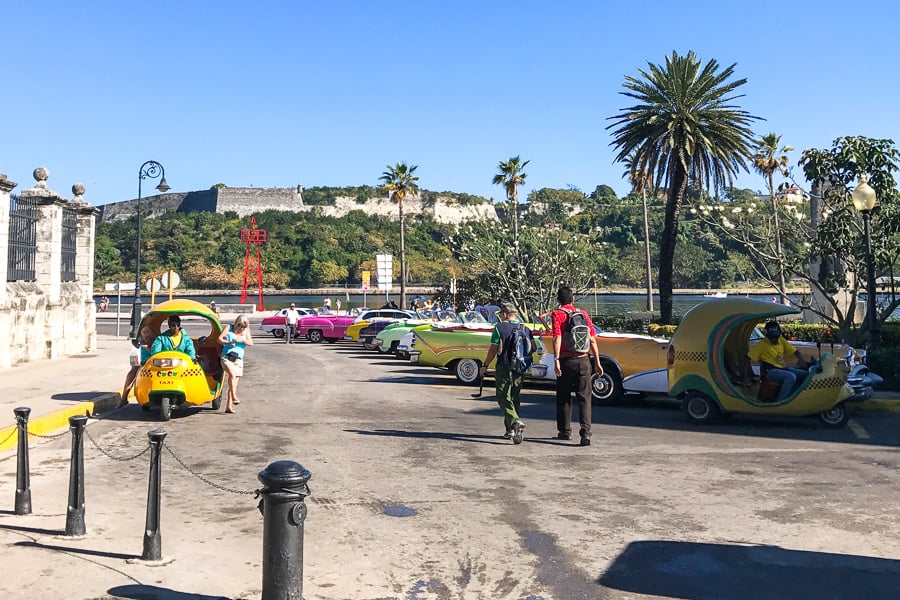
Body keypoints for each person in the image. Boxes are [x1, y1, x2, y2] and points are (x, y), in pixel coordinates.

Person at [551, 286, 603, 446]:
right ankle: (586, 433)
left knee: (564, 397)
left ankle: (565, 432)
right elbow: (592, 339)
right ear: (572, 300)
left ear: (558, 300)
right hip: (584, 360)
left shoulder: (557, 314)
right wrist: (598, 362)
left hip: (566, 361)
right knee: (585, 398)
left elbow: (557, 338)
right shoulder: (583, 314)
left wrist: (556, 360)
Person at [479, 304, 531, 444]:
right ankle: (510, 430)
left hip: (504, 366)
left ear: (505, 314)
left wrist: (485, 365)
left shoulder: (499, 328)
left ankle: (515, 421)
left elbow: (494, 348)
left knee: (502, 396)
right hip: (520, 367)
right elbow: (533, 347)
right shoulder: (524, 328)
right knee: (514, 397)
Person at [748, 321, 810, 401]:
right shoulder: (762, 345)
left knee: (806, 374)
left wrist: (801, 359)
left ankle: (797, 396)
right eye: (772, 338)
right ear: (767, 336)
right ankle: (782, 401)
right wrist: (749, 374)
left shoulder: (781, 340)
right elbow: (748, 358)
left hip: (782, 368)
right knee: (790, 376)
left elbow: (795, 351)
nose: (775, 340)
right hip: (770, 371)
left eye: (776, 337)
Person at [218, 315, 253, 413]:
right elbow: (219, 339)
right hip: (227, 357)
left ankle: (229, 407)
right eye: (239, 326)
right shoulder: (229, 327)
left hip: (238, 359)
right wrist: (228, 342)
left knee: (233, 384)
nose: (241, 328)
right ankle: (234, 396)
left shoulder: (245, 332)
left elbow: (250, 343)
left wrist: (242, 340)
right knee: (232, 375)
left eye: (243, 327)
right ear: (236, 323)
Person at [121, 326, 157, 403]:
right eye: (144, 335)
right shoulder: (138, 344)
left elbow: (156, 353)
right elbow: (134, 359)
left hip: (153, 363)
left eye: (148, 336)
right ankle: (124, 398)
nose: (146, 339)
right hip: (141, 362)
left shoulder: (157, 342)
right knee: (132, 373)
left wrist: (148, 347)